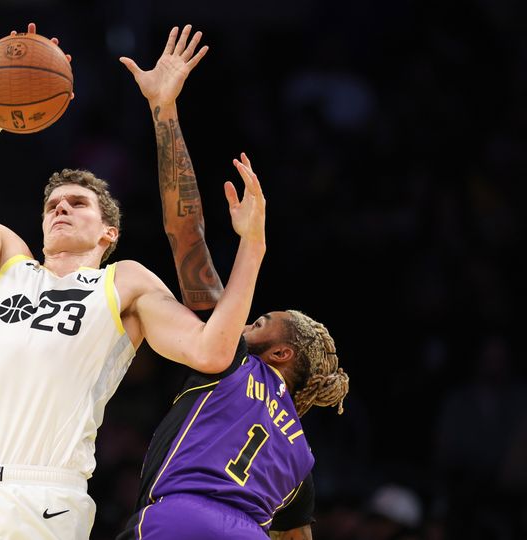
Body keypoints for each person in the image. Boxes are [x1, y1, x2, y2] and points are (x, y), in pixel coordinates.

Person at [0, 23, 268, 540]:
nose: (60, 208)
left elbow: (212, 351)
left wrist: (252, 246)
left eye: (77, 203)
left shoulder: (123, 283)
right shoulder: (3, 263)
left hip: (44, 499)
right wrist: (0, 107)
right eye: (52, 204)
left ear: (109, 231)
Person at [117, 25, 350, 539]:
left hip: (179, 518)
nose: (246, 319)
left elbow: (185, 233)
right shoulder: (301, 460)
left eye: (263, 322)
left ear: (281, 354)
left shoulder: (233, 359)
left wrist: (164, 110)